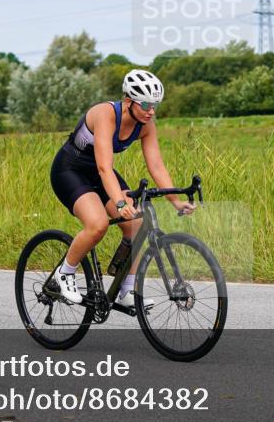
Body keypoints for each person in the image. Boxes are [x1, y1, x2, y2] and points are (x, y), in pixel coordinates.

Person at [49, 69, 195, 307]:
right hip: (70, 171)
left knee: (136, 224)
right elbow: (105, 167)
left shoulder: (146, 125)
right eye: (146, 105)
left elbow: (156, 166)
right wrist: (119, 203)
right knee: (98, 224)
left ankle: (126, 291)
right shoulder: (104, 114)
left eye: (155, 105)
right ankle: (65, 273)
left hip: (99, 173)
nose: (151, 111)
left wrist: (175, 201)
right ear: (128, 101)